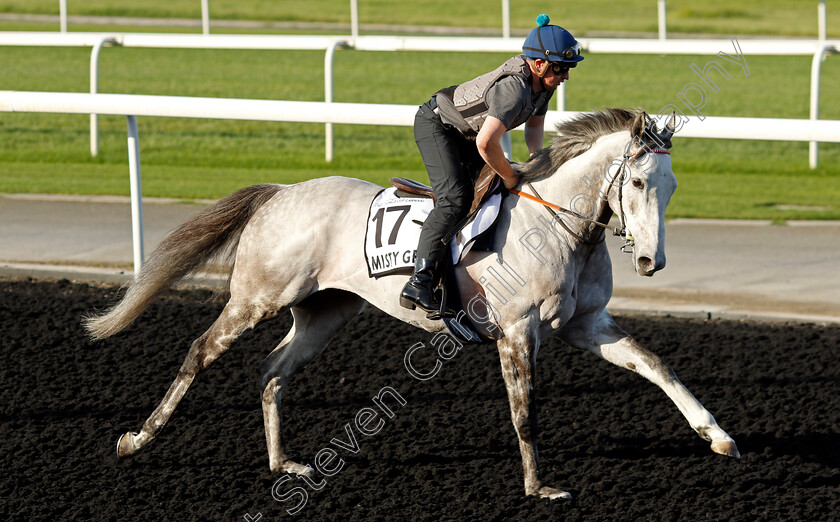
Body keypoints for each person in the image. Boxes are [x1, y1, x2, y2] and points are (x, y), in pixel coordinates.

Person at [399, 14, 585, 314]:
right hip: (439, 126)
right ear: (539, 64)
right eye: (562, 68)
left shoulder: (544, 86)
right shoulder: (515, 90)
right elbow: (485, 143)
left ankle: (463, 276)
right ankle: (419, 281)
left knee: (493, 193)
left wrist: (536, 159)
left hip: (468, 133)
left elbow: (535, 128)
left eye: (569, 68)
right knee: (456, 200)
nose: (566, 76)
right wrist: (511, 175)